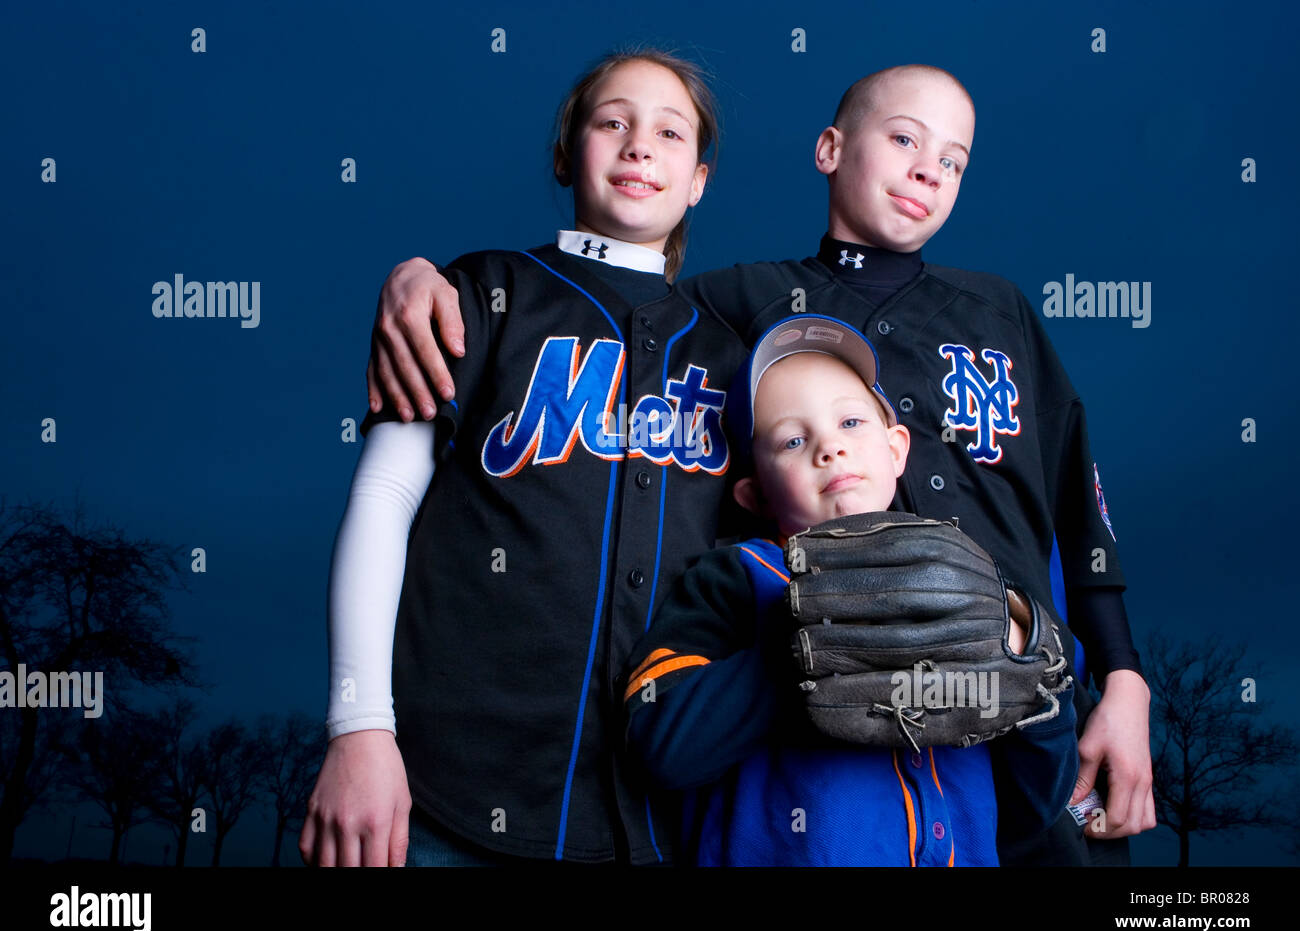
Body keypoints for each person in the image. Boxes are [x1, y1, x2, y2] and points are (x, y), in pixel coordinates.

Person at [361, 63, 1157, 862]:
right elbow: (624, 287)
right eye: (904, 139)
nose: (927, 168)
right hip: (828, 729)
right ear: (830, 149)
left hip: (1012, 700)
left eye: (953, 160)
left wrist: (1122, 676)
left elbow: (1075, 502)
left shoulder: (1003, 308)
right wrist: (424, 278)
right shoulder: (738, 301)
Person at [300, 48, 754, 865]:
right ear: (564, 151)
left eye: (669, 132)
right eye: (611, 121)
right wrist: (358, 728)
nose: (638, 145)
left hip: (657, 818)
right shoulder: (482, 293)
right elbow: (383, 499)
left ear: (698, 181)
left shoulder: (731, 358)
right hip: (442, 794)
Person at [623, 314, 1078, 864]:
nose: (829, 448)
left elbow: (1034, 804)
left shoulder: (975, 586)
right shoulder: (738, 577)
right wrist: (802, 646)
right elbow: (659, 746)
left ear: (897, 449)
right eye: (793, 439)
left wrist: (1034, 671)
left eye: (852, 423)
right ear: (754, 494)